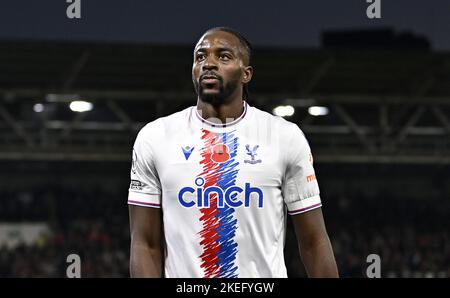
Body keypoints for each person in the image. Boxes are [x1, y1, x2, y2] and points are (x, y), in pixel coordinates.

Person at [128, 27, 338, 278]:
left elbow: (314, 242)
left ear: (246, 73)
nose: (209, 64)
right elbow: (145, 244)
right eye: (201, 56)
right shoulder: (156, 137)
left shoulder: (284, 137)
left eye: (223, 56)